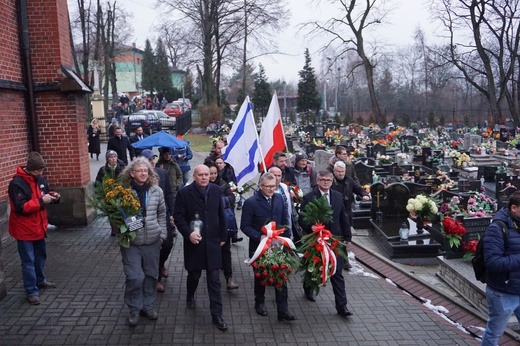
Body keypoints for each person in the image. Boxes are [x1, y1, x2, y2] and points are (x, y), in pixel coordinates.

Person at [174, 165, 229, 331]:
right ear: (195, 176)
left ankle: (217, 314)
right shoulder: (184, 193)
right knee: (194, 275)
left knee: (214, 279)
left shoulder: (215, 190)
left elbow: (221, 213)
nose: (205, 177)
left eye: (207, 174)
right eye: (201, 175)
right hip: (195, 241)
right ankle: (190, 294)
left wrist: (223, 236)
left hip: (212, 241)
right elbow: (178, 216)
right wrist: (188, 233)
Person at [241, 173, 296, 322]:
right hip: (260, 246)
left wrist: (286, 237)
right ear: (261, 186)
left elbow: (284, 220)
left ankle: (282, 310)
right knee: (261, 276)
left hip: (277, 244)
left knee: (281, 276)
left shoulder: (278, 199)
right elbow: (244, 226)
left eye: (274, 186)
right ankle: (259, 302)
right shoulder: (251, 203)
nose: (272, 189)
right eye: (268, 186)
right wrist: (259, 236)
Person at [118, 157, 167, 327]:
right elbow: (117, 217)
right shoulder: (123, 192)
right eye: (140, 170)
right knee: (134, 277)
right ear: (132, 173)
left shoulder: (156, 191)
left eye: (146, 170)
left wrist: (162, 234)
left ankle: (148, 306)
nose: (144, 173)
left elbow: (162, 213)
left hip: (153, 241)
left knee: (151, 276)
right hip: (132, 242)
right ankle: (134, 308)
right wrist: (123, 230)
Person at [299, 170, 353, 317]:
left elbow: (343, 217)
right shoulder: (309, 197)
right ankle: (309, 288)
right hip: (316, 240)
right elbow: (301, 219)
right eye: (323, 180)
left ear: (332, 181)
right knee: (314, 266)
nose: (325, 182)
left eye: (328, 180)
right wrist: (311, 227)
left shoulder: (337, 196)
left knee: (337, 272)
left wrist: (347, 235)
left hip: (334, 240)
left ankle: (342, 307)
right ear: (317, 181)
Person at [8, 152, 60, 305]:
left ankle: (40, 280)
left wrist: (55, 196)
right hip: (24, 229)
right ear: (30, 169)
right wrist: (41, 201)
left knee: (40, 256)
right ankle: (31, 290)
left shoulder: (40, 179)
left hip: (39, 226)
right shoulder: (16, 183)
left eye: (42, 170)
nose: (41, 173)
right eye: (38, 170)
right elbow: (20, 207)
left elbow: (47, 192)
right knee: (28, 260)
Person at [481, 191, 520, 345]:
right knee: (494, 333)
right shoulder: (497, 228)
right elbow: (493, 262)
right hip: (503, 292)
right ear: (514, 208)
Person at [139, 149, 176, 294]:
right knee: (151, 248)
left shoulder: (161, 174)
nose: (152, 161)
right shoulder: (137, 178)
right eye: (149, 159)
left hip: (162, 214)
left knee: (167, 244)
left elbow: (169, 193)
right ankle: (156, 279)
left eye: (153, 158)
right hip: (144, 218)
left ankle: (161, 264)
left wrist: (172, 213)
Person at [331, 161, 370, 270]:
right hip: (334, 214)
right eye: (338, 172)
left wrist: (364, 194)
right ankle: (342, 261)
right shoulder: (331, 181)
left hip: (346, 213)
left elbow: (358, 189)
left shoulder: (349, 180)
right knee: (339, 236)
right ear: (334, 171)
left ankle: (343, 260)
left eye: (342, 171)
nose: (341, 174)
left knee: (345, 236)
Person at [206, 162, 239, 290]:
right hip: (208, 225)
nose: (213, 176)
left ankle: (229, 278)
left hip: (222, 223)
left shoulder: (223, 184)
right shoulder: (202, 186)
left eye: (215, 173)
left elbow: (231, 198)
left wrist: (220, 201)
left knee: (226, 250)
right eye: (210, 173)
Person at [96, 150, 127, 236]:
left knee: (122, 213)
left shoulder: (123, 169)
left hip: (121, 196)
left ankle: (122, 229)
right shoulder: (103, 170)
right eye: (111, 157)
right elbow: (98, 183)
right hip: (108, 197)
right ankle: (114, 230)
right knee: (111, 214)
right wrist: (100, 198)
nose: (113, 159)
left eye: (115, 157)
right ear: (107, 159)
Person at [267, 166, 293, 239]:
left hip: (285, 223)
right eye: (274, 175)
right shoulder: (263, 191)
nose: (277, 178)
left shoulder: (285, 188)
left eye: (279, 175)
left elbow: (291, 207)